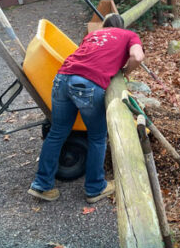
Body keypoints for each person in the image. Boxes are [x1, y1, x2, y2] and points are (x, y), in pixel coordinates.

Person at [28, 13, 143, 203]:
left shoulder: (93, 35)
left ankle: (42, 185)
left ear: (105, 25)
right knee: (97, 137)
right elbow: (137, 56)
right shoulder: (128, 35)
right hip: (87, 85)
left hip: (62, 78)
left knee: (57, 132)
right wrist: (125, 71)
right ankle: (95, 188)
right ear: (121, 26)